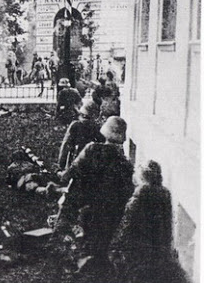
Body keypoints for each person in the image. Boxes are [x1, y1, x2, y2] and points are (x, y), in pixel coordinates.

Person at [58, 116, 134, 269]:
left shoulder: (92, 149)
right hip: (107, 210)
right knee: (99, 241)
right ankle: (96, 266)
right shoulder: (124, 163)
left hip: (83, 203)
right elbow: (127, 191)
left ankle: (75, 264)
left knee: (74, 235)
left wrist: (62, 178)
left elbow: (72, 171)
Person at [111, 160, 173, 269]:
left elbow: (127, 221)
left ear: (143, 176)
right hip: (158, 244)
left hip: (139, 244)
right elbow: (168, 222)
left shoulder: (140, 193)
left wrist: (116, 244)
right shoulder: (165, 193)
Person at [57, 100, 104, 170]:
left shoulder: (75, 125)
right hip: (91, 163)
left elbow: (65, 146)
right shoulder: (96, 127)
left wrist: (60, 166)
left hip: (75, 161)